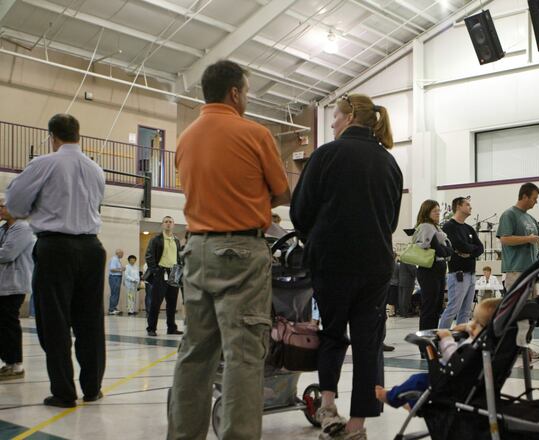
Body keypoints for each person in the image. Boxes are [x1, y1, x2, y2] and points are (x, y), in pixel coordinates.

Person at [168, 60, 290, 440]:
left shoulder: (185, 138)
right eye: (247, 92)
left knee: (195, 353)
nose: (247, 98)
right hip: (240, 251)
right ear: (234, 93)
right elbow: (283, 190)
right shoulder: (254, 133)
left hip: (196, 250)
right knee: (243, 356)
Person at [291, 92, 402, 440]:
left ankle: (327, 407)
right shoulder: (390, 164)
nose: (333, 123)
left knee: (333, 334)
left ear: (350, 117)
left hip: (333, 262)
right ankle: (358, 426)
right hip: (376, 265)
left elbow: (300, 212)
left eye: (335, 117)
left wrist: (318, 237)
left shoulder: (326, 154)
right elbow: (392, 220)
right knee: (369, 344)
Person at [5, 113, 106, 408]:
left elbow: (15, 204)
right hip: (91, 247)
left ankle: (63, 391)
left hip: (56, 247)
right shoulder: (95, 169)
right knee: (90, 322)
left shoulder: (44, 163)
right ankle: (92, 388)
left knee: (55, 322)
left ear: (53, 137)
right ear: (78, 134)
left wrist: (38, 205)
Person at [374, 297, 502, 410]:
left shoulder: (475, 348)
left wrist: (447, 339)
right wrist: (468, 327)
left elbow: (454, 359)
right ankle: (414, 406)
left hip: (453, 380)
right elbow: (478, 328)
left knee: (417, 381)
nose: (472, 324)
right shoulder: (488, 343)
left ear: (486, 329)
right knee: (424, 388)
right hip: (472, 384)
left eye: (476, 322)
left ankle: (391, 397)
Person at [0, 200, 35, 381]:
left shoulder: (23, 228)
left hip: (14, 284)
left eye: (2, 206)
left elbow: (7, 254)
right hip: (2, 285)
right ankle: (8, 362)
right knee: (3, 326)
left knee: (9, 324)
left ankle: (17, 365)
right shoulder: (3, 228)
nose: (0, 209)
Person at [439, 197, 484, 329]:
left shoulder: (469, 229)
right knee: (453, 308)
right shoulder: (449, 226)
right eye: (467, 204)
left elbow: (480, 248)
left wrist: (470, 253)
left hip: (471, 273)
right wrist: (471, 249)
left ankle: (461, 340)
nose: (470, 207)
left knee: (465, 312)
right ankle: (442, 338)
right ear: (458, 206)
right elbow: (459, 245)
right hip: (458, 273)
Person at [412, 200, 453, 331]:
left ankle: (432, 335)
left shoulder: (436, 227)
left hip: (439, 268)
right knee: (429, 307)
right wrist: (447, 250)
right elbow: (441, 250)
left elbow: (446, 249)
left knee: (437, 307)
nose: (438, 213)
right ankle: (425, 339)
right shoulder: (426, 227)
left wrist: (447, 250)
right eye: (435, 211)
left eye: (439, 211)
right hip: (429, 269)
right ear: (427, 211)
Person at [496, 182, 539, 292]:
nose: (536, 202)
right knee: (518, 307)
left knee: (533, 307)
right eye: (534, 198)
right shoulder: (509, 215)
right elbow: (504, 239)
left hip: (532, 269)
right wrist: (528, 239)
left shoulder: (531, 218)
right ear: (524, 196)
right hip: (516, 270)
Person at [143, 216, 183, 337]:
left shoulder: (176, 240)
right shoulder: (156, 239)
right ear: (162, 225)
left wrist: (179, 271)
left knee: (172, 303)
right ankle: (151, 328)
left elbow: (178, 257)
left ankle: (171, 327)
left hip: (174, 272)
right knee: (156, 302)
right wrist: (155, 271)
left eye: (170, 222)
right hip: (160, 272)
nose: (168, 224)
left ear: (174, 225)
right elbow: (149, 255)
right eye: (166, 222)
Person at [107, 249, 124, 315]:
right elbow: (112, 269)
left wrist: (121, 269)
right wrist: (121, 269)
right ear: (118, 253)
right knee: (114, 293)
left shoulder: (117, 259)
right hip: (114, 277)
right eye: (122, 253)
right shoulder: (114, 259)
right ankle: (111, 309)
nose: (122, 255)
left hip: (117, 277)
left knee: (116, 293)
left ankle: (114, 308)